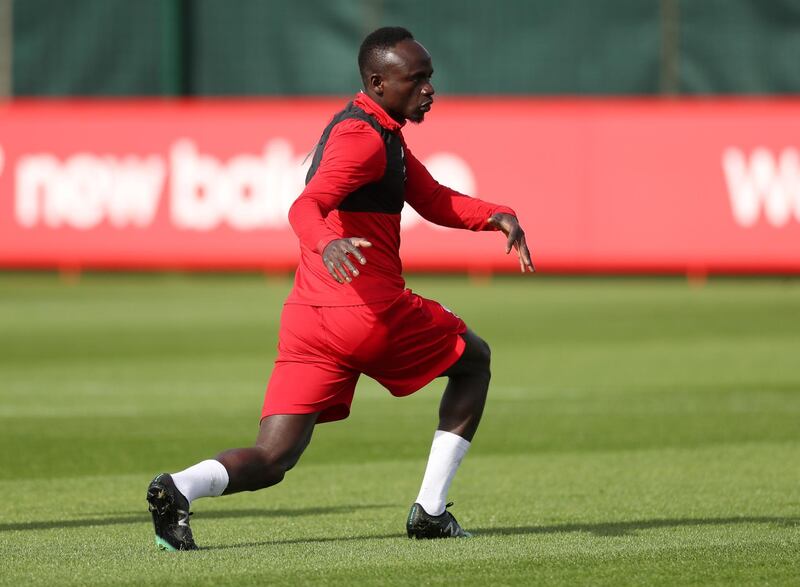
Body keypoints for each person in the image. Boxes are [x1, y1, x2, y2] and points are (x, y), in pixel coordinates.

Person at [146, 26, 534, 551]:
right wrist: (329, 243)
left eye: (429, 78)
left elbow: (434, 198)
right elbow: (305, 206)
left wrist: (495, 215)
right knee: (475, 361)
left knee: (274, 456)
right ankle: (430, 511)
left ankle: (178, 488)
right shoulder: (363, 138)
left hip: (310, 320)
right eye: (415, 80)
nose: (428, 90)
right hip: (366, 312)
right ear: (377, 82)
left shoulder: (377, 131)